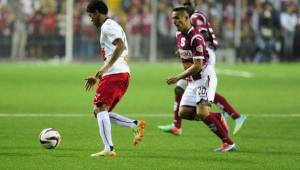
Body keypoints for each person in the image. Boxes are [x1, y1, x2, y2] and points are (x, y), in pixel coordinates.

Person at [158, 0, 246, 136]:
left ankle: (228, 117)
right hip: (198, 53)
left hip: (206, 53)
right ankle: (179, 123)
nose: (186, 7)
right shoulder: (183, 27)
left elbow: (199, 37)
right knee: (187, 88)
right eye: (184, 4)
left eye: (188, 4)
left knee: (201, 84)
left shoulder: (196, 18)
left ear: (195, 5)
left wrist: (190, 49)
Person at [166, 7, 236, 152]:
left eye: (178, 18)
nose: (175, 21)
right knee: (183, 112)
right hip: (193, 80)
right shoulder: (179, 34)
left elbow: (198, 66)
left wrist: (178, 77)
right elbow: (186, 53)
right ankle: (217, 117)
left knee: (202, 113)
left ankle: (228, 143)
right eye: (173, 18)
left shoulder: (196, 38)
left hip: (204, 78)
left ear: (186, 18)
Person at [84, 0, 145, 157]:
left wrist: (105, 68)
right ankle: (134, 125)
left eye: (91, 16)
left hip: (115, 74)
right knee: (98, 111)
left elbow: (120, 46)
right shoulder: (112, 25)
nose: (91, 19)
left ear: (97, 12)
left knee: (100, 109)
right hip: (120, 74)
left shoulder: (108, 26)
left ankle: (108, 148)